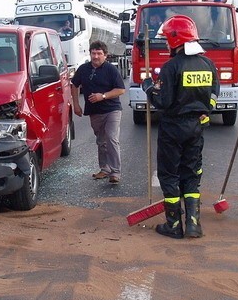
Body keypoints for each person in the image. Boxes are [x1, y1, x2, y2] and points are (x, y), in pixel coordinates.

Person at [143, 15, 219, 239]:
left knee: (169, 174)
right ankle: (194, 224)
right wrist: (207, 111)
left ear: (176, 40)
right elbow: (215, 93)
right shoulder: (208, 64)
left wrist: (149, 89)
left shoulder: (171, 66)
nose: (166, 44)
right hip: (197, 127)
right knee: (192, 173)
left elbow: (163, 102)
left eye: (167, 39)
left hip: (173, 128)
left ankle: (173, 225)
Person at [71, 40, 126, 184]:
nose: (96, 56)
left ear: (105, 55)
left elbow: (121, 89)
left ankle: (115, 172)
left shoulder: (111, 70)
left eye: (99, 54)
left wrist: (102, 96)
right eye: (93, 53)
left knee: (111, 138)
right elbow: (74, 85)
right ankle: (105, 168)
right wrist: (76, 105)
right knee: (101, 141)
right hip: (95, 112)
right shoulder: (83, 69)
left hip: (112, 110)